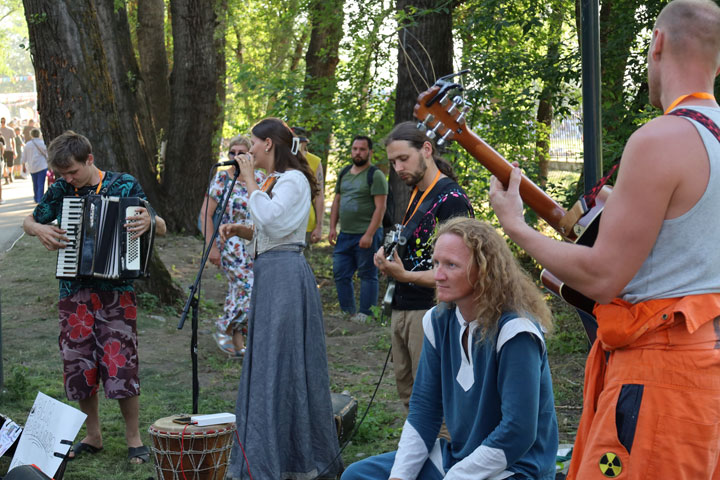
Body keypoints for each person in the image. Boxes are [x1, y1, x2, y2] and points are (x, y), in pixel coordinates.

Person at [490, 1, 720, 478]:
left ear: (657, 44)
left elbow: (601, 276)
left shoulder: (661, 140)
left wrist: (515, 225)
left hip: (660, 378)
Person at [343, 217, 558, 480]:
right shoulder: (438, 321)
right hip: (457, 458)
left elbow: (518, 432)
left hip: (515, 468)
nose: (438, 275)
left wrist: (457, 476)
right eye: (436, 263)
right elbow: (424, 411)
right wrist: (399, 477)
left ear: (484, 270)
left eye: (451, 265)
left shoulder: (516, 332)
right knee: (357, 475)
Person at [22, 130, 167, 465]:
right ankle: (93, 435)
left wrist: (150, 220)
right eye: (62, 175)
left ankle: (134, 438)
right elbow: (30, 220)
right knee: (79, 366)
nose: (69, 180)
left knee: (122, 364)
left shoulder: (124, 185)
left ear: (89, 159)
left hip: (116, 292)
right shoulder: (61, 189)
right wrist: (40, 229)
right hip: (74, 291)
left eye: (73, 172)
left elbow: (160, 225)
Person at [219, 118, 341, 480]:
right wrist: (242, 230)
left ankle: (294, 456)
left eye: (252, 145)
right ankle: (271, 451)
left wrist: (250, 182)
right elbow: (271, 227)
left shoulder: (294, 180)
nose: (248, 151)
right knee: (270, 363)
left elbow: (273, 220)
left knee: (283, 363)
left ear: (269, 144)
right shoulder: (276, 182)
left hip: (286, 276)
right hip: (271, 274)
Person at [374, 121, 473, 413]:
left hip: (432, 311)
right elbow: (416, 249)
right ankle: (420, 456)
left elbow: (462, 273)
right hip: (403, 307)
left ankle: (443, 458)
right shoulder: (417, 193)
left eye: (403, 158)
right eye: (393, 162)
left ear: (426, 149)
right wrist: (388, 255)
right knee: (410, 396)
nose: (398, 167)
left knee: (435, 403)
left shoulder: (452, 200)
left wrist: (404, 274)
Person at [200, 134, 264, 357]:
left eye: (241, 153)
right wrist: (212, 248)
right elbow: (205, 215)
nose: (235, 157)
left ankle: (237, 345)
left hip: (254, 243)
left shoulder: (258, 177)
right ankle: (224, 326)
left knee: (237, 291)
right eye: (232, 153)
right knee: (249, 287)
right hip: (230, 244)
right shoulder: (221, 179)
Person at [329, 135, 388, 321]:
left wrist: (369, 234)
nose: (358, 153)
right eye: (355, 149)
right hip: (345, 234)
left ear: (370, 152)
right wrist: (332, 227)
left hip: (366, 234)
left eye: (362, 149)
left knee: (368, 274)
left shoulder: (375, 175)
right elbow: (337, 200)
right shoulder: (344, 172)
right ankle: (347, 311)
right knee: (340, 272)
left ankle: (366, 313)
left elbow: (381, 207)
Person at [291, 126, 325, 246]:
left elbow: (319, 195)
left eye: (299, 142)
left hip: (306, 224)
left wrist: (319, 226)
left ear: (305, 142)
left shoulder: (314, 161)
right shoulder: (283, 160)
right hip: (285, 222)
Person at [23, 128, 48, 203]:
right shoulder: (42, 143)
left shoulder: (27, 144)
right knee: (41, 183)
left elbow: (24, 157)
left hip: (32, 167)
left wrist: (23, 165)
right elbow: (47, 155)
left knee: (35, 183)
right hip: (42, 166)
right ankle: (40, 199)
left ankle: (36, 197)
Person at [0, 117, 16, 184]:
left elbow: (13, 140)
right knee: (4, 165)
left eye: (4, 121)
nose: (3, 123)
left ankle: (10, 174)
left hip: (9, 149)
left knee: (10, 165)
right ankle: (6, 178)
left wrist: (14, 150)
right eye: (2, 122)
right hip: (1, 150)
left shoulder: (10, 130)